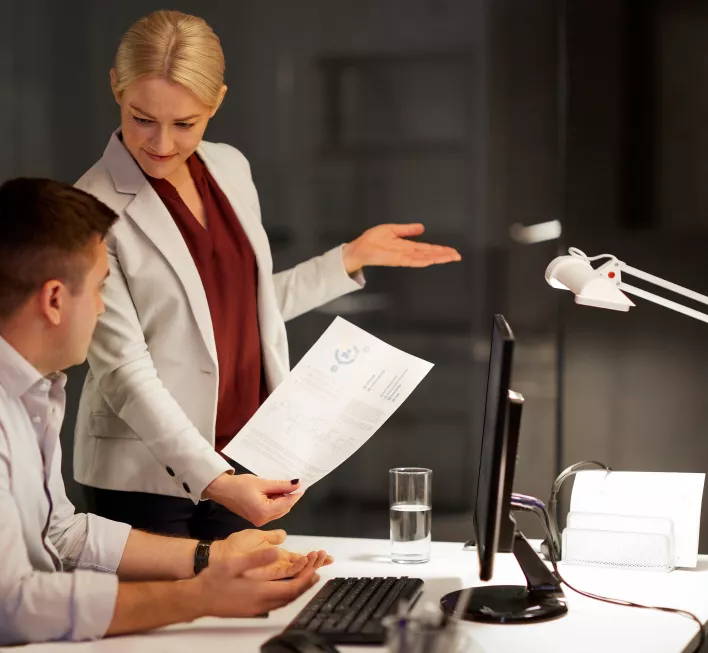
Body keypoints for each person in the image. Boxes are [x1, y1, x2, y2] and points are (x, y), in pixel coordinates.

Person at [0, 178, 331, 653]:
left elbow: (62, 532)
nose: (101, 308)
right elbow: (9, 606)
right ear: (55, 300)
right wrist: (200, 597)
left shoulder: (21, 387)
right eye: (99, 288)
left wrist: (209, 557)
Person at [74, 9, 462, 540]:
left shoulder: (230, 167)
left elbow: (240, 308)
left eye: (185, 123)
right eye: (142, 118)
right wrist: (211, 477)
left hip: (248, 455)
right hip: (145, 478)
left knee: (246, 622)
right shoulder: (87, 207)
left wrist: (349, 258)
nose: (161, 143)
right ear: (116, 87)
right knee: (164, 622)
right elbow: (123, 370)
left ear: (217, 103)